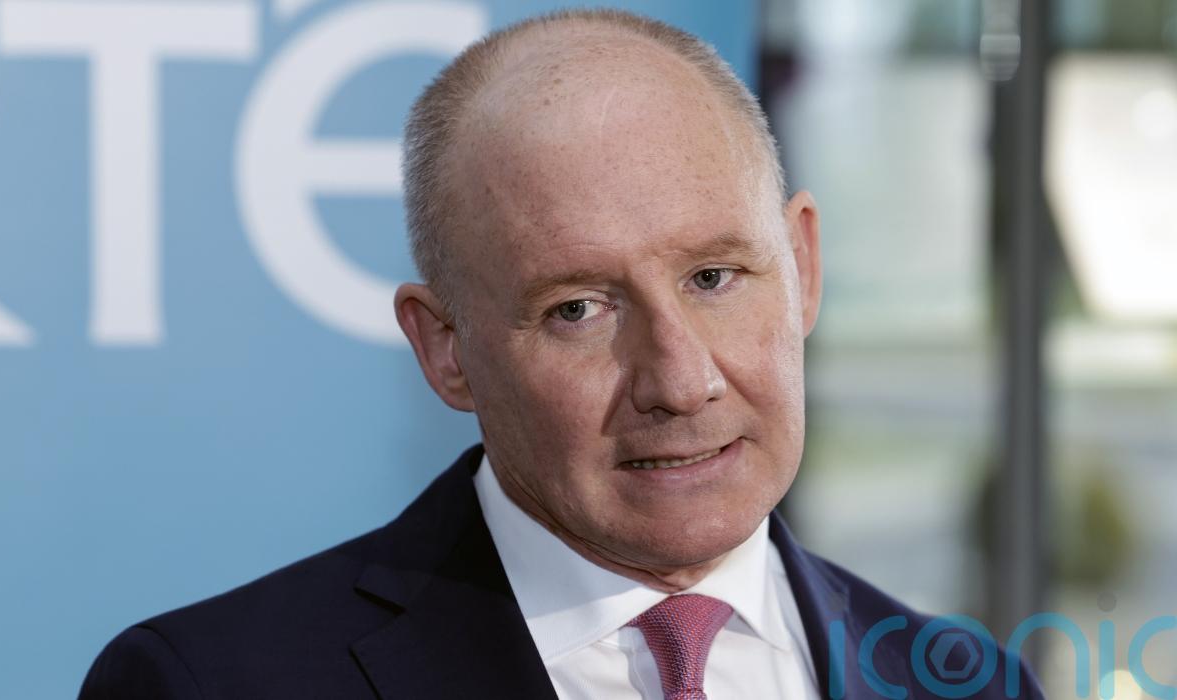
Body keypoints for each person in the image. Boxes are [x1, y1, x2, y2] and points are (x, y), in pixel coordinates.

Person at [79, 9, 1043, 699]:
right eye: (578, 308)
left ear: (802, 267)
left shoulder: (974, 685)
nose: (680, 381)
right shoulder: (211, 682)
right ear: (446, 350)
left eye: (714, 278)